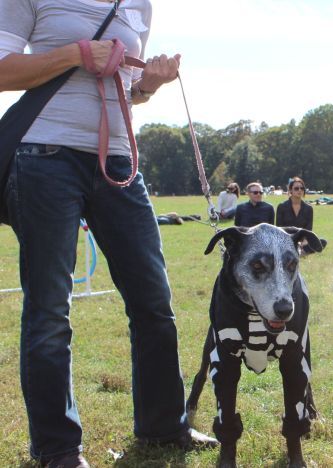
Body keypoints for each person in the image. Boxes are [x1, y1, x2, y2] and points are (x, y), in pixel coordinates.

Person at [0, 1, 217, 466]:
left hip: (119, 160)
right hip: (43, 156)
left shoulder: (139, 3)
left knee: (153, 301)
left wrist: (148, 85)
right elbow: (2, 71)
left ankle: (163, 427)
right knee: (50, 309)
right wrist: (75, 54)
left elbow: (125, 89)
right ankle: (58, 449)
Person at [275, 176, 327, 254]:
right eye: (296, 188)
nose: (299, 190)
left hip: (302, 240)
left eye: (302, 188)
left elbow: (308, 229)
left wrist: (305, 240)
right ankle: (299, 251)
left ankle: (300, 250)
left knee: (322, 241)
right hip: (286, 239)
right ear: (290, 190)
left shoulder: (308, 208)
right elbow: (279, 228)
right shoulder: (282, 206)